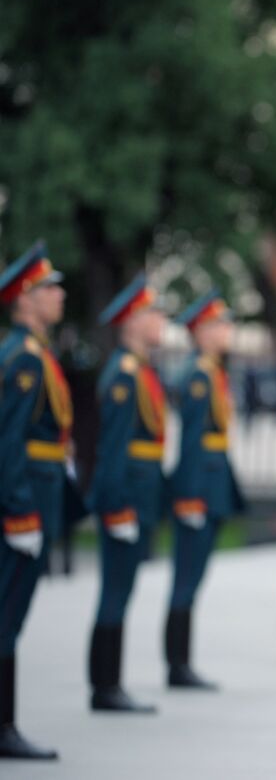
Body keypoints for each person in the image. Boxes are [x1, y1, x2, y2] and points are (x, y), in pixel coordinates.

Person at [88, 273, 168, 713]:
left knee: (122, 589)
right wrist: (117, 506)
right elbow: (113, 450)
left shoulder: (140, 371)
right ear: (133, 321)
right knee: (115, 590)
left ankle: (108, 684)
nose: (160, 321)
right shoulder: (124, 374)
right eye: (153, 313)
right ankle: (105, 686)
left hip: (141, 494)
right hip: (127, 498)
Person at [0, 242, 67, 758]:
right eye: (49, 288)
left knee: (13, 614)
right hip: (25, 497)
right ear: (25, 298)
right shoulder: (22, 358)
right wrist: (20, 509)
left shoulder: (34, 353)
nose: (59, 295)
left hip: (39, 489)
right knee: (7, 614)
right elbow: (9, 441)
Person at [166, 291, 245, 690]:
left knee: (193, 578)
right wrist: (190, 495)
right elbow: (193, 441)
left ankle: (181, 663)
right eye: (220, 324)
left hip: (212, 481)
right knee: (186, 577)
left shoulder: (211, 372)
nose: (228, 331)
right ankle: (177, 665)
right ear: (201, 331)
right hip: (199, 485)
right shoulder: (198, 375)